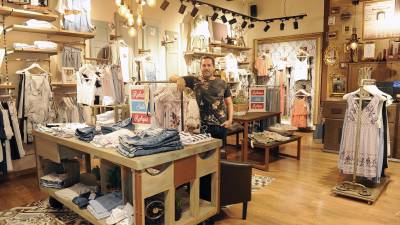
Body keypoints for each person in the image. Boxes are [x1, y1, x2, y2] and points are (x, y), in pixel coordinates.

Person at [169, 56, 233, 146]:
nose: (206, 68)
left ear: (213, 67)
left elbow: (229, 103)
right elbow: (171, 77)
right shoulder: (195, 81)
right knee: (205, 155)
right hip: (204, 127)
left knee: (221, 153)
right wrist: (179, 79)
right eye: (204, 65)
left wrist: (230, 120)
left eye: (209, 65)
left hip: (221, 125)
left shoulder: (222, 83)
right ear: (201, 67)